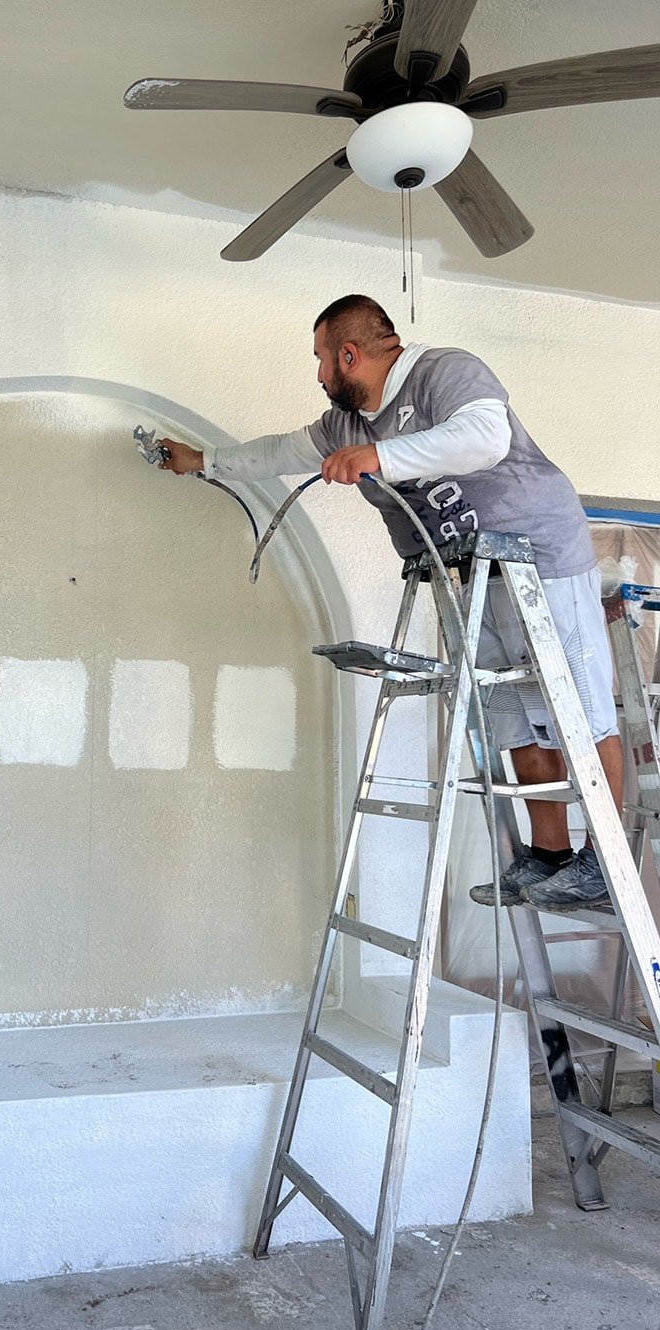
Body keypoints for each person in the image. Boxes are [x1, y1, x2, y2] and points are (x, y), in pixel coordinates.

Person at [159, 293, 621, 912]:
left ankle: (606, 864)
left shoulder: (442, 372)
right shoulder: (344, 424)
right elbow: (278, 452)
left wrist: (381, 456)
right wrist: (203, 462)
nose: (319, 375)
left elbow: (485, 436)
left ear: (349, 355)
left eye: (323, 360)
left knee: (579, 707)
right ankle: (549, 856)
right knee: (508, 713)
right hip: (469, 571)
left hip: (539, 556)